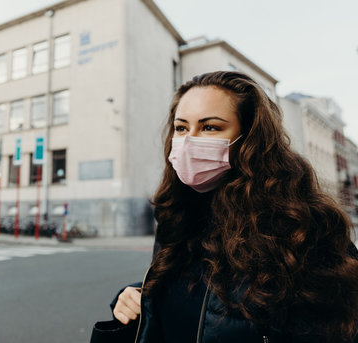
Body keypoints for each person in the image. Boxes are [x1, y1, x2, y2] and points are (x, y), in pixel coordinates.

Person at [109, 71, 358, 342]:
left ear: (250, 137)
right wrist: (138, 296)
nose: (189, 140)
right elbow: (191, 301)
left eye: (210, 127)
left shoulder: (303, 225)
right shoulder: (176, 215)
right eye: (181, 128)